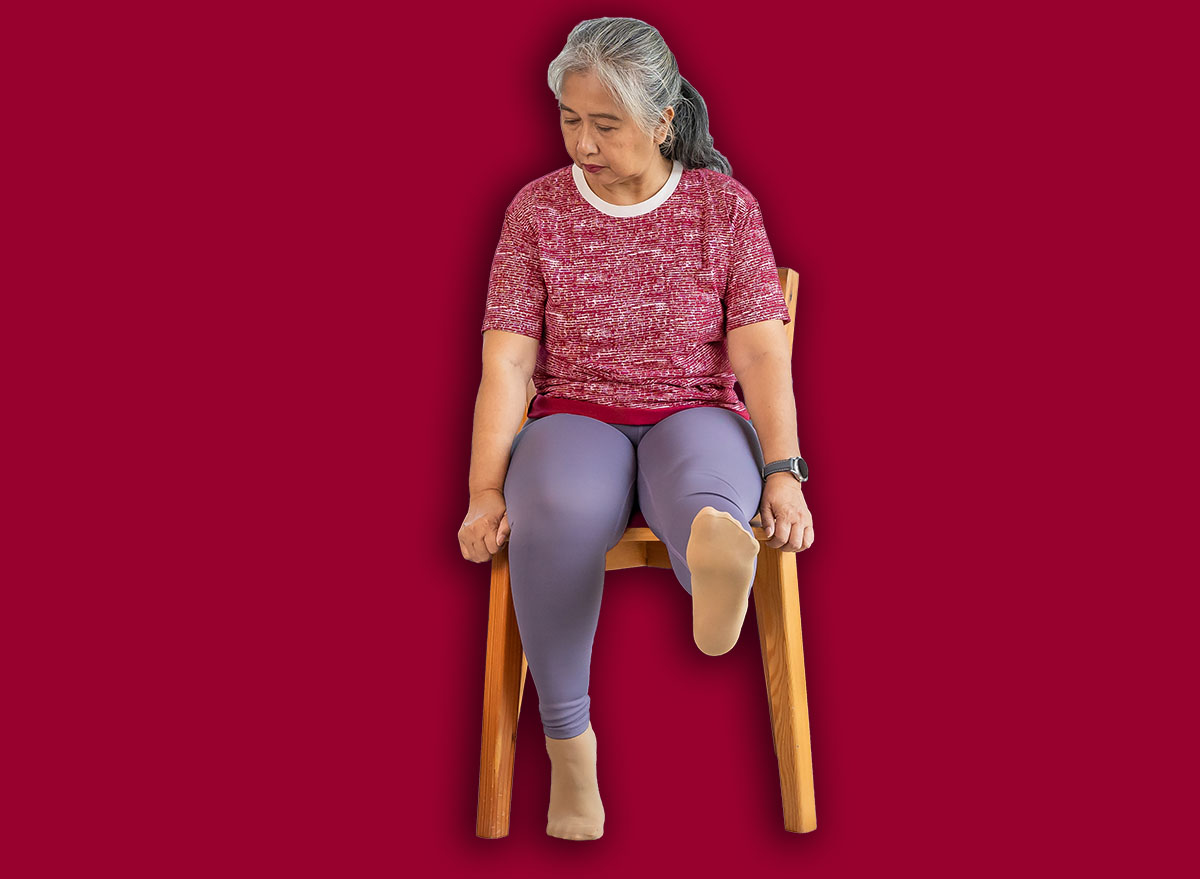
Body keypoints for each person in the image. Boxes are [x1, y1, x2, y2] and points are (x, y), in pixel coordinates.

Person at [458, 17, 815, 841]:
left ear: (662, 120)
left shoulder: (724, 208)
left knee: (705, 494)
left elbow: (762, 354)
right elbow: (507, 364)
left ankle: (715, 569)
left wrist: (785, 469)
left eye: (606, 124)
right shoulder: (536, 211)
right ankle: (571, 750)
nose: (583, 143)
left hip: (697, 407)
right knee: (554, 508)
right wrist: (483, 490)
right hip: (575, 413)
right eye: (569, 119)